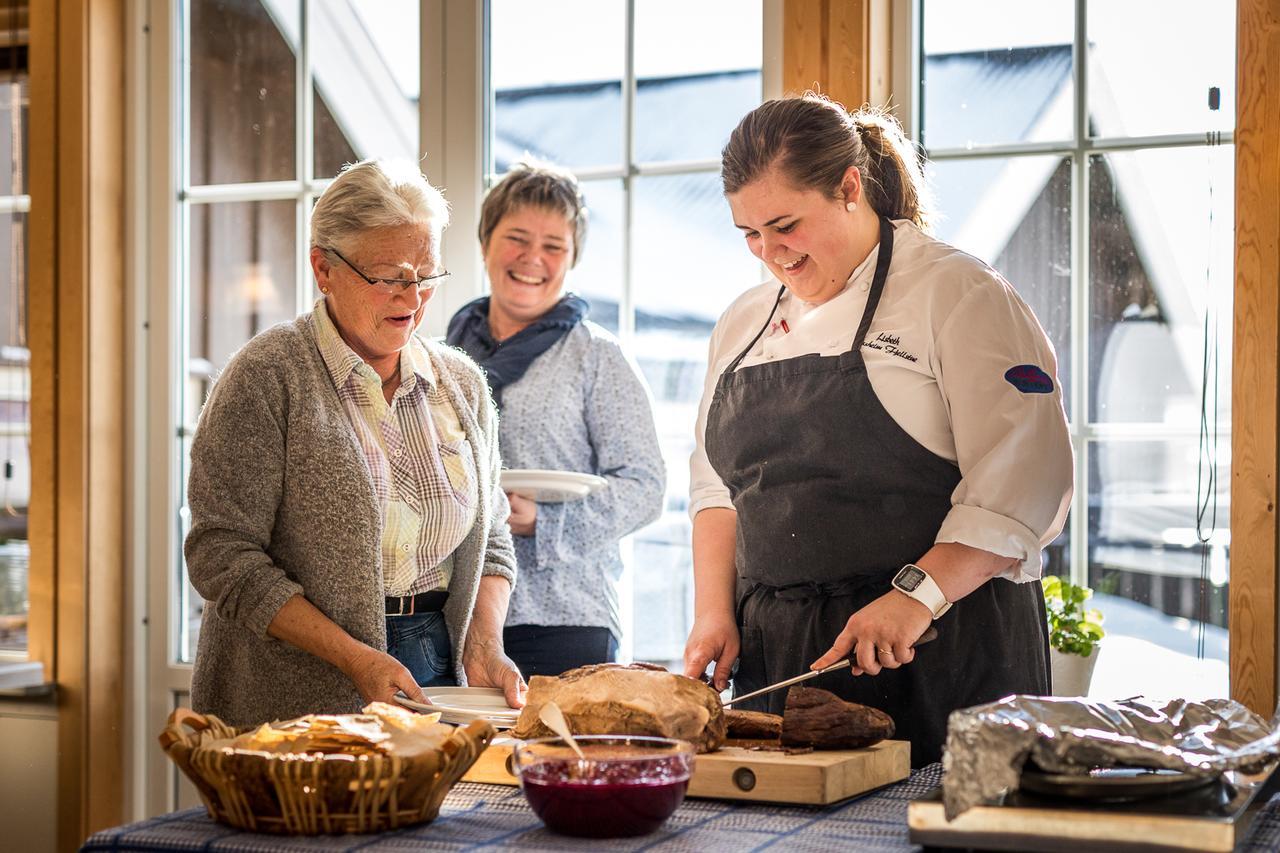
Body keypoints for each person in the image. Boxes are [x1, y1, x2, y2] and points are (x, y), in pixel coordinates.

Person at [682, 96, 1073, 767]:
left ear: (849, 188)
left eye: (785, 225)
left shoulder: (959, 294)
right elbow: (717, 487)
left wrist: (915, 596)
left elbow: (1024, 486)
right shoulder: (742, 323)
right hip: (785, 670)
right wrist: (715, 611)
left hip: (940, 652)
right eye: (748, 233)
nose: (770, 254)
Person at [186, 158, 525, 727]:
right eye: (390, 276)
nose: (412, 298)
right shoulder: (268, 376)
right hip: (290, 689)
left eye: (427, 276)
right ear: (324, 269)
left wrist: (483, 644)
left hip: (434, 671)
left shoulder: (461, 384)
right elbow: (221, 555)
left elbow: (491, 537)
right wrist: (355, 658)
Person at [447, 160, 665, 678]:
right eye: (517, 238)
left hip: (565, 617)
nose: (532, 259)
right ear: (485, 243)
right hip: (454, 617)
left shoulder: (597, 356)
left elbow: (646, 486)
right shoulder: (442, 356)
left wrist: (543, 523)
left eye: (553, 247)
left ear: (572, 259)